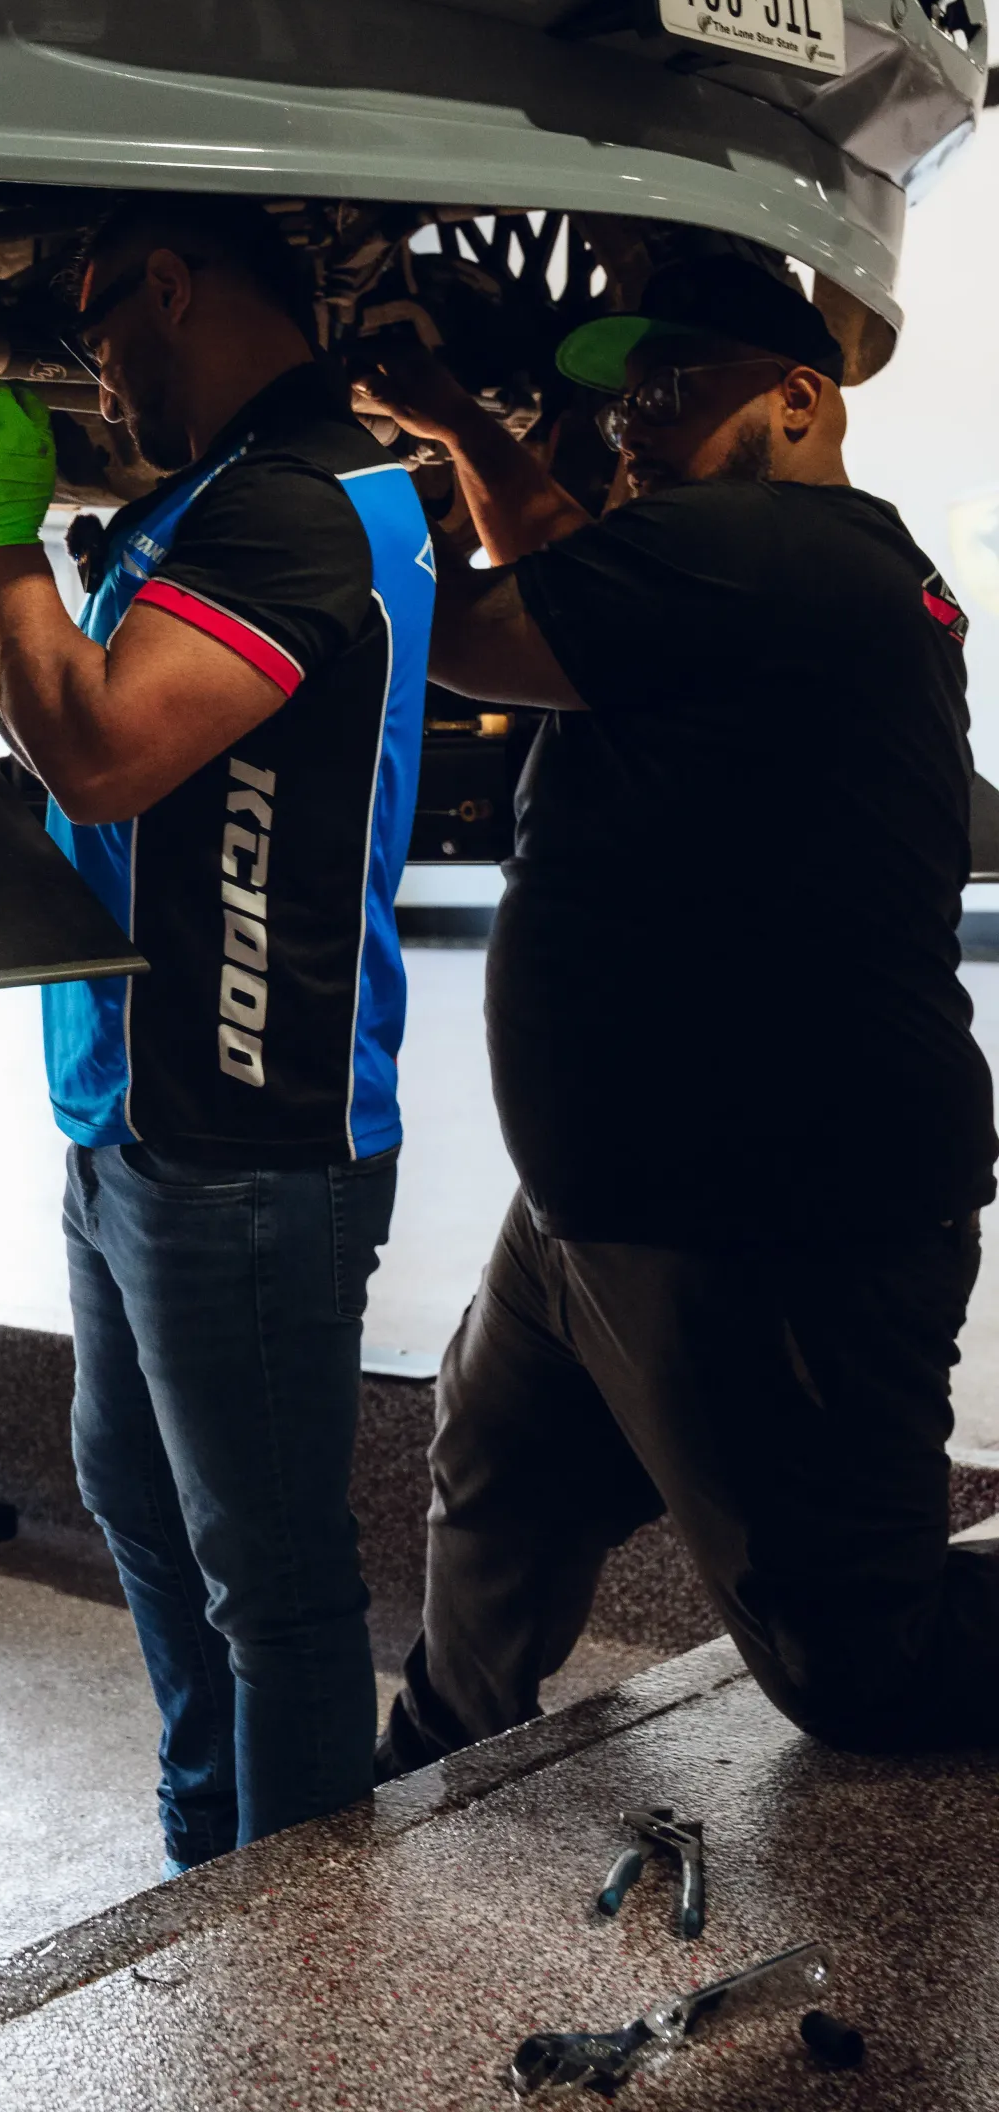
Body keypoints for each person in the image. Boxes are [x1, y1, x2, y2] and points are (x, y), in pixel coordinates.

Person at [355, 253, 999, 1771]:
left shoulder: (775, 547)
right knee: (500, 1469)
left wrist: (313, 495)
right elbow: (567, 550)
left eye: (675, 385)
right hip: (608, 1198)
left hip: (769, 1213)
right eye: (626, 392)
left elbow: (479, 629)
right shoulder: (746, 570)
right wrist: (461, 424)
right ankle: (423, 1777)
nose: (633, 421)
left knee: (862, 1667)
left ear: (799, 397)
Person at [0, 197, 434, 1868]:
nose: (97, 378)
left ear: (172, 284)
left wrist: (2, 536)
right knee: (138, 1502)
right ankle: (216, 1861)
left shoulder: (302, 506)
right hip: (137, 1111)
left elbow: (111, 753)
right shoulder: (216, 503)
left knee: (270, 1574)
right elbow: (104, 739)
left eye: (97, 329)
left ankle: (303, 1937)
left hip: (251, 1129)